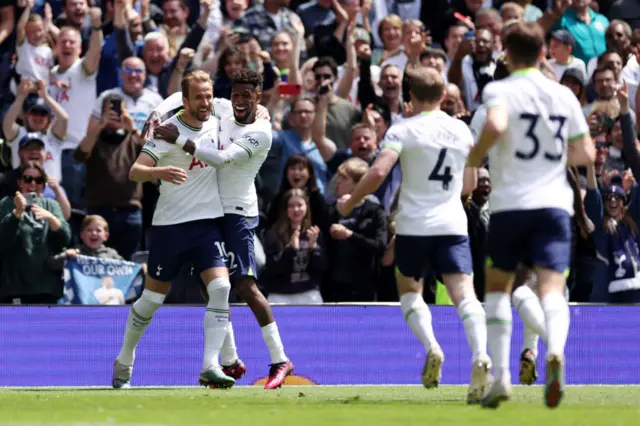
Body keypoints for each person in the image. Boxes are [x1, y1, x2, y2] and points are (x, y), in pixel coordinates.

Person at [337, 67, 490, 404]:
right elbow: (469, 185)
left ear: (411, 97)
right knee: (465, 293)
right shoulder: (461, 130)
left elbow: (378, 171)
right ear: (444, 98)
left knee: (410, 291)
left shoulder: (403, 129)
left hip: (413, 226)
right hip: (452, 224)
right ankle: (480, 354)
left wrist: (352, 203)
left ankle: (432, 346)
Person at [467, 22, 595, 409]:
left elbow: (496, 125)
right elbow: (587, 154)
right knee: (552, 288)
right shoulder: (563, 96)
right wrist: (553, 158)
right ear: (544, 53)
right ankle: (554, 349)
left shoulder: (499, 89)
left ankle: (503, 378)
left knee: (498, 289)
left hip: (511, 207)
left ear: (505, 52)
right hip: (555, 206)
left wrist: (475, 157)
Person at [155, 69, 294, 389]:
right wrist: (156, 114)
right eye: (236, 94)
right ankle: (229, 360)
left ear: (259, 97)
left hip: (238, 216)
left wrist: (177, 138)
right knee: (214, 287)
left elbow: (222, 159)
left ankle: (280, 359)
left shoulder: (261, 131)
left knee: (245, 286)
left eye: (248, 95)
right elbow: (183, 96)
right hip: (213, 212)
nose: (241, 100)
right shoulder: (225, 108)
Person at [112, 70, 235, 390]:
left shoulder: (219, 119)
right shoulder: (167, 132)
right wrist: (161, 169)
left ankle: (210, 365)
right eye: (199, 97)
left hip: (207, 224)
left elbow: (248, 107)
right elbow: (135, 171)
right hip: (169, 227)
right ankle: (125, 359)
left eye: (208, 95)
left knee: (221, 288)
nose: (206, 102)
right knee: (152, 299)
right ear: (185, 100)